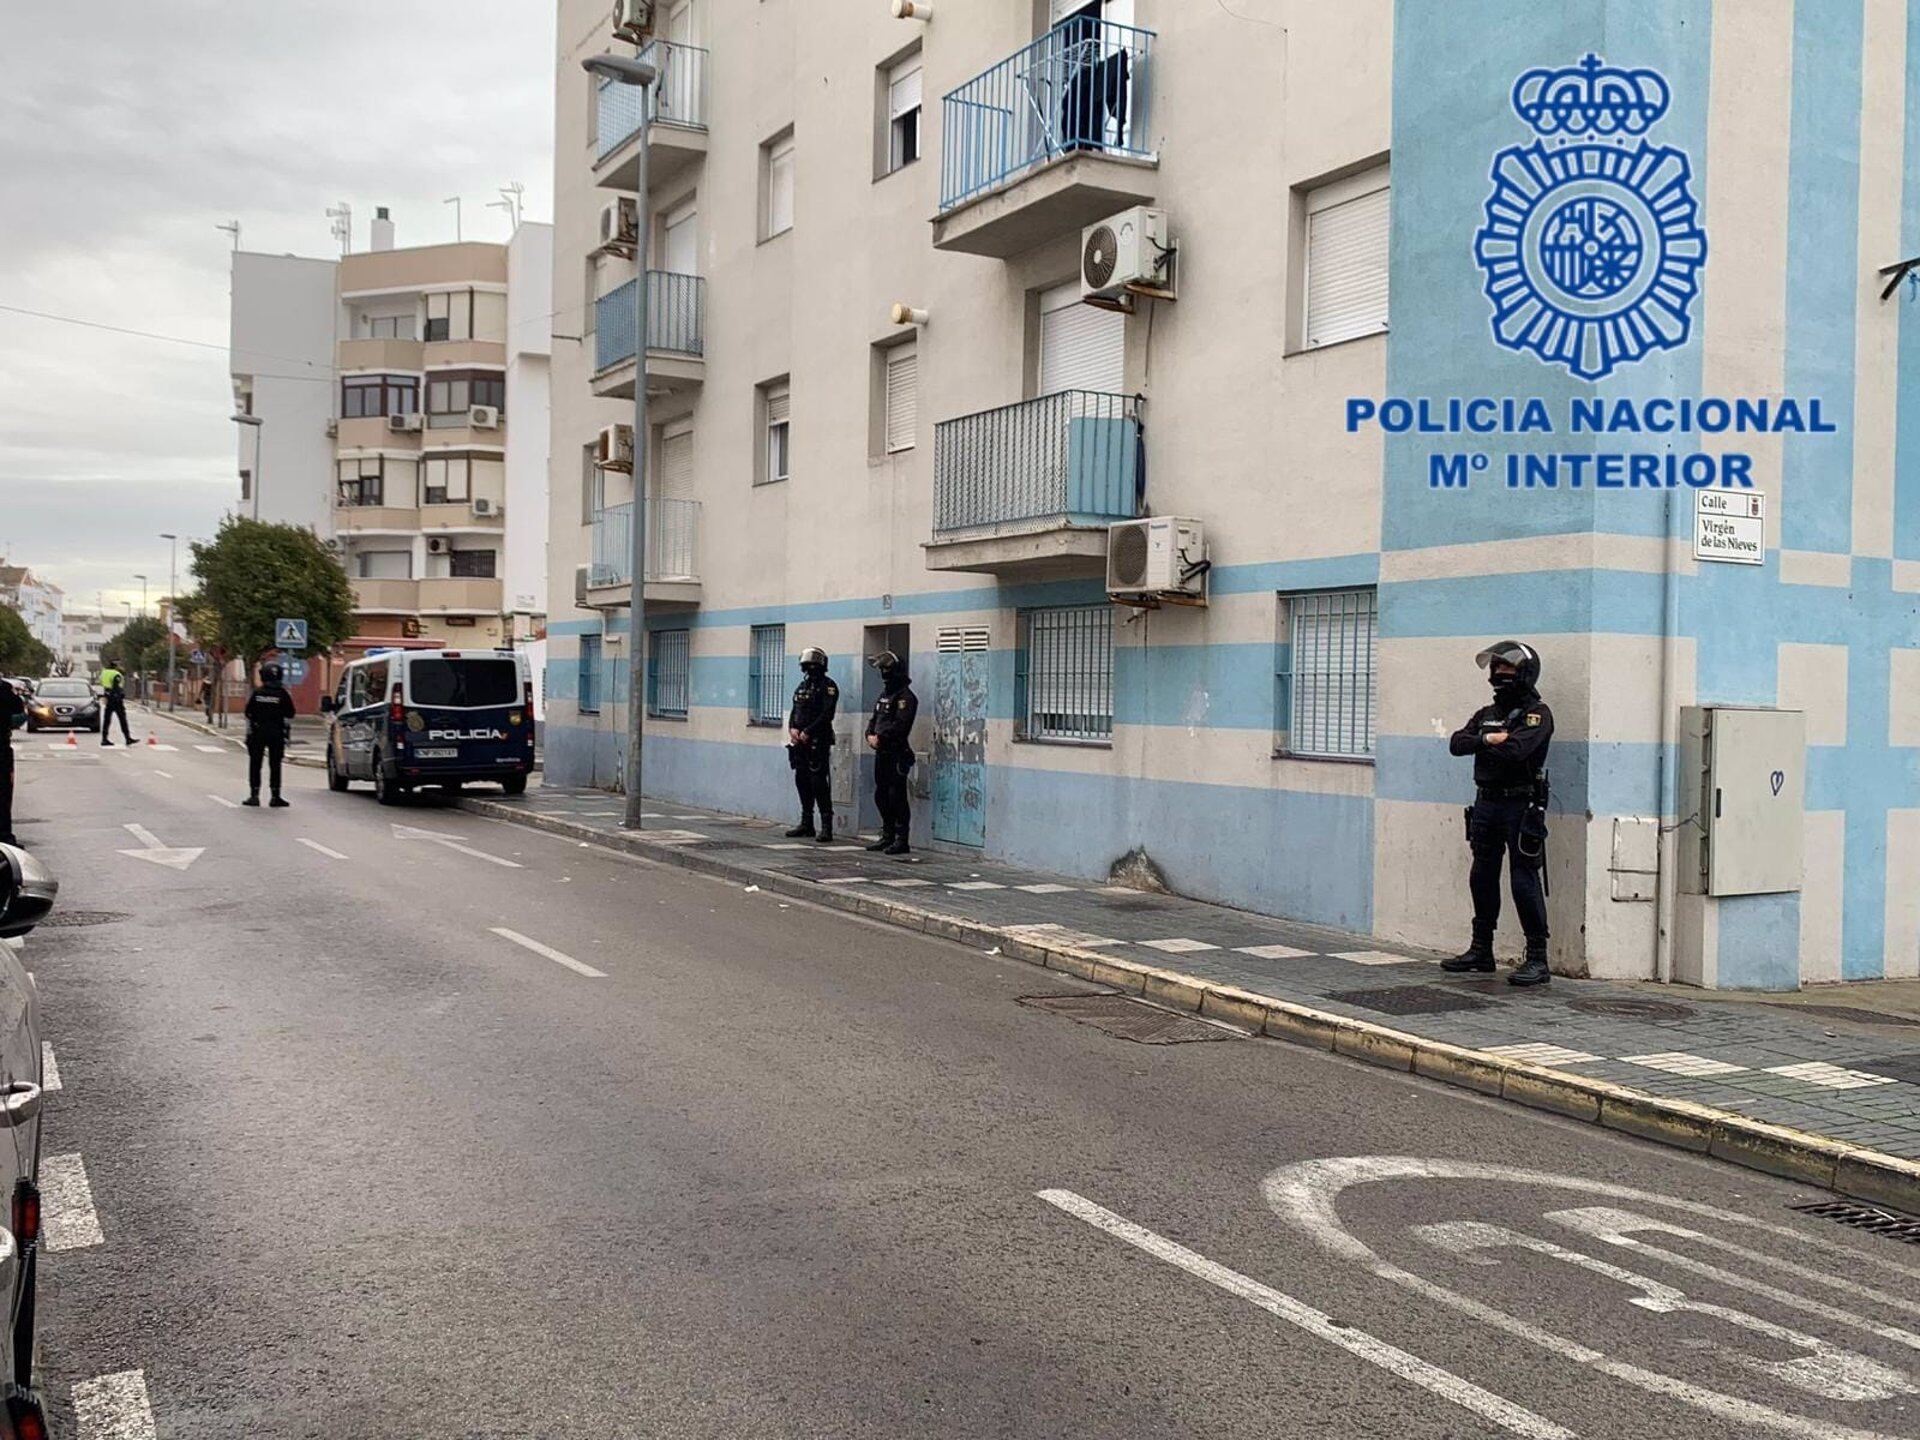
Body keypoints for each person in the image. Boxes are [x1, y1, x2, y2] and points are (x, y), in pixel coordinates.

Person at [1443, 640, 1554, 987]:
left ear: (1524, 673)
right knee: (1482, 875)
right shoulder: (1486, 713)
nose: (1499, 674)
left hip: (1520, 805)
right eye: (1496, 669)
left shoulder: (1538, 714)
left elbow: (1518, 751)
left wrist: (1486, 742)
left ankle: (1537, 958)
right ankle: (1481, 950)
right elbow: (1457, 743)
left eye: (1507, 669)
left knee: (1524, 880)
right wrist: (1489, 740)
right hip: (1487, 803)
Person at [864, 650, 918, 856]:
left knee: (897, 796)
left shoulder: (906, 697)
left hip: (896, 753)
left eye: (887, 669)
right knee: (881, 795)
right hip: (881, 753)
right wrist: (869, 734)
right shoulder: (884, 695)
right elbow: (874, 719)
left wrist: (882, 737)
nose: (884, 674)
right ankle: (887, 835)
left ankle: (901, 839)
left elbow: (901, 725)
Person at [785, 647, 838, 843]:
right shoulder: (802, 686)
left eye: (811, 666)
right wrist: (792, 728)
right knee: (802, 779)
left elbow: (827, 714)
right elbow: (794, 710)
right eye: (806, 666)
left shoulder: (828, 687)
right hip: (800, 742)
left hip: (818, 740)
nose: (808, 670)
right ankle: (806, 823)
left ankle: (826, 826)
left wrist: (808, 731)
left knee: (818, 782)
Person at [242, 661, 297, 808]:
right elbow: (291, 713)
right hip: (276, 732)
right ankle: (275, 796)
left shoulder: (258, 693)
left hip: (258, 732)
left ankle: (254, 796)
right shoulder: (283, 694)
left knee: (255, 764)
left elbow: (248, 712)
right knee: (275, 765)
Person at [0, 678, 20, 847]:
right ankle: (5, 837)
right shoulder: (4, 688)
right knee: (3, 795)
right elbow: (18, 711)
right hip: (1, 749)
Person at [98, 663, 132, 746]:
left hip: (108, 698)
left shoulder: (103, 673)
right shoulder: (116, 674)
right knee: (122, 719)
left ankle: (104, 739)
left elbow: (102, 684)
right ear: (116, 667)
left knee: (107, 720)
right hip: (116, 699)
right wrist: (121, 695)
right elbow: (116, 687)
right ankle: (127, 738)